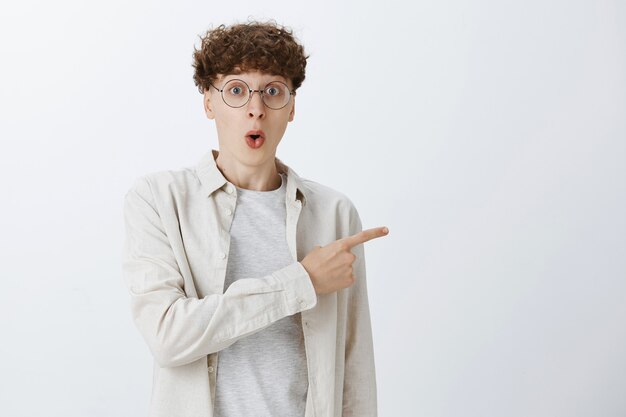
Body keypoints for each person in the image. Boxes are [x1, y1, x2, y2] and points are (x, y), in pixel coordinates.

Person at [122, 20, 389, 417]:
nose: (255, 109)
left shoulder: (334, 214)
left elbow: (355, 368)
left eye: (273, 91)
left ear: (292, 106)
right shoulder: (159, 200)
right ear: (208, 103)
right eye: (235, 90)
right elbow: (168, 336)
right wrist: (303, 282)